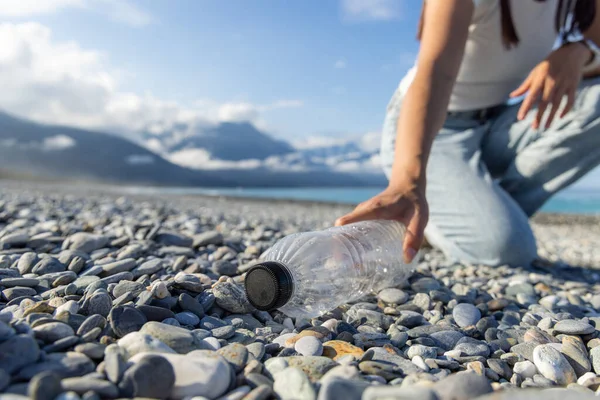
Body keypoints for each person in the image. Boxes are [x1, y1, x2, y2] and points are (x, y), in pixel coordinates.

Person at [336, 0, 600, 267]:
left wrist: (580, 50)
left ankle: (463, 215)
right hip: (431, 130)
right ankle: (452, 219)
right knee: (506, 249)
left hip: (495, 123)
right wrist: (408, 183)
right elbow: (435, 73)